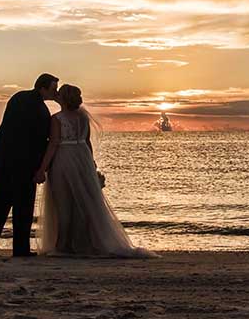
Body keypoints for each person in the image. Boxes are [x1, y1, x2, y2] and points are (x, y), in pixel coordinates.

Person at [34, 84, 157, 258]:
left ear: (63, 98)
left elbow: (53, 144)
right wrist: (91, 164)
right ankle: (81, 243)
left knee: (63, 204)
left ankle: (63, 245)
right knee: (83, 203)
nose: (56, 95)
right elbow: (87, 142)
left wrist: (42, 169)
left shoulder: (57, 119)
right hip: (82, 158)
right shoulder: (83, 117)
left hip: (64, 159)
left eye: (59, 93)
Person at [0, 73, 58, 257]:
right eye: (53, 89)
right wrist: (42, 167)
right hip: (24, 162)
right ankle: (20, 248)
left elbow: (8, 128)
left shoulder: (18, 98)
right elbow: (42, 140)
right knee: (23, 205)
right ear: (42, 88)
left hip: (4, 157)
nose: (56, 92)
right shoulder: (42, 111)